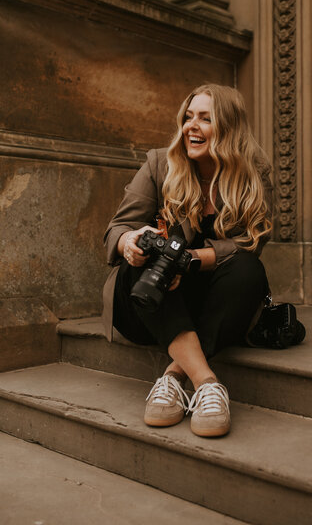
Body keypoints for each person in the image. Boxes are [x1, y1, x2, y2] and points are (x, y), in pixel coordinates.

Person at [102, 83, 273, 438]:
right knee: (148, 257)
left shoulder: (253, 172)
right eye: (188, 117)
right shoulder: (159, 164)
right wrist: (129, 243)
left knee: (248, 270)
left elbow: (251, 243)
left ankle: (173, 376)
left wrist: (190, 260)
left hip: (206, 300)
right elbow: (118, 227)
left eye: (205, 119)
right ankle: (207, 382)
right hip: (144, 304)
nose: (191, 126)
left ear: (228, 128)